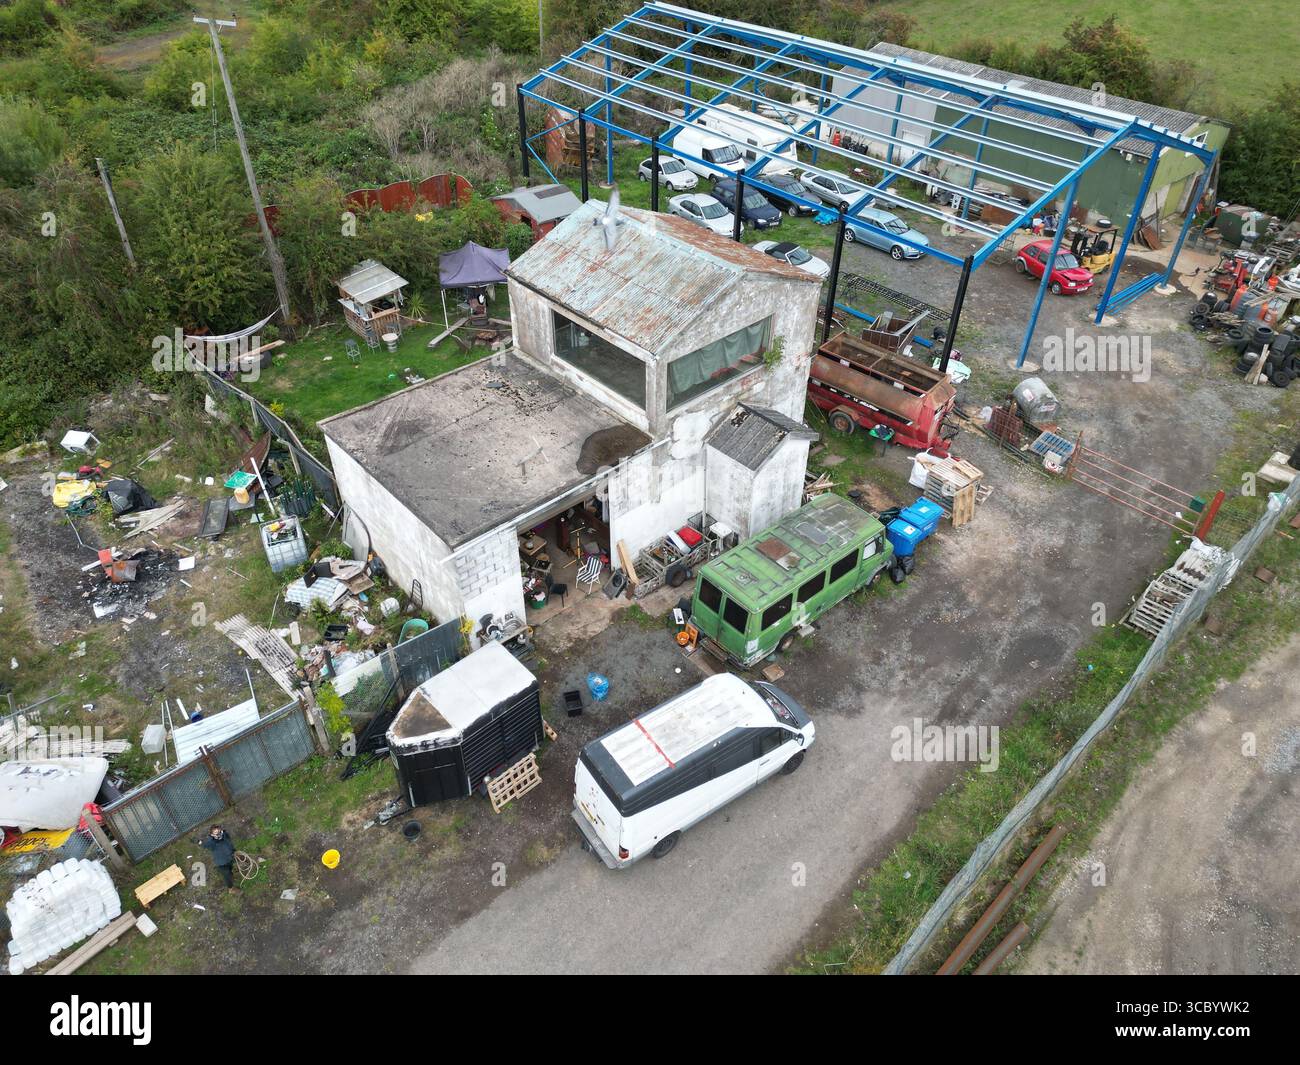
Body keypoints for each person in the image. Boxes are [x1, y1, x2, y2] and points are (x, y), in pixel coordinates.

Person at [200, 824, 237, 890]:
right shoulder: (211, 843)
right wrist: (199, 842)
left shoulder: (224, 836)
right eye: (216, 833)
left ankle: (231, 875)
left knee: (230, 869)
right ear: (212, 835)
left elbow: (229, 843)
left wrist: (233, 850)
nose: (219, 834)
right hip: (221, 863)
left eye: (219, 832)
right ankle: (231, 888)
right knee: (227, 876)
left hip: (229, 858)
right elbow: (205, 845)